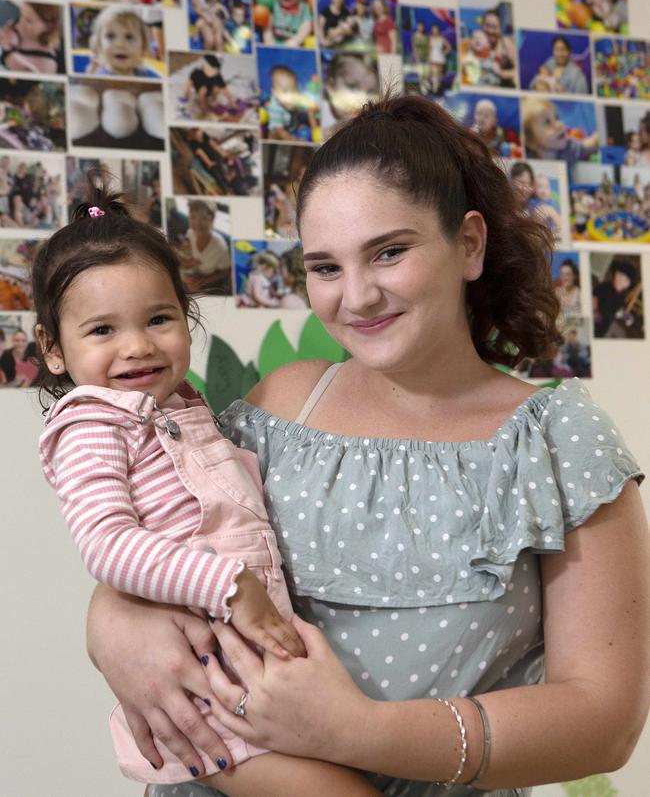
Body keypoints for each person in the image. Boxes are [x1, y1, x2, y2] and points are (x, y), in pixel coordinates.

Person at [86, 96, 648, 796]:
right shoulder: (283, 404)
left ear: (468, 244)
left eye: (389, 251)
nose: (358, 296)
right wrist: (108, 621)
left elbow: (605, 720)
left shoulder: (559, 442)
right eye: (325, 267)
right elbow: (160, 542)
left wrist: (350, 728)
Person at [32, 179, 382, 796]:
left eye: (159, 319)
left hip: (248, 675)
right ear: (52, 350)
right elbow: (106, 545)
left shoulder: (182, 411)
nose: (137, 345)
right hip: (208, 694)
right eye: (102, 331)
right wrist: (231, 586)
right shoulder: (91, 421)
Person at [175, 199, 231, 294]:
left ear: (212, 221)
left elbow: (225, 272)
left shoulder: (220, 246)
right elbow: (183, 252)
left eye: (204, 218)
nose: (197, 223)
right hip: (190, 275)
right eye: (193, 217)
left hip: (208, 281)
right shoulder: (190, 232)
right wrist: (186, 264)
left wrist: (203, 281)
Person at [522, 97, 599, 161]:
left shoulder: (569, 148)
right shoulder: (527, 157)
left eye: (557, 117)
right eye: (547, 122)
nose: (559, 125)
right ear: (531, 142)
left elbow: (590, 144)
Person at [87, 5, 150, 77]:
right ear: (99, 45)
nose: (120, 44)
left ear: (143, 46)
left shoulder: (142, 75)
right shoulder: (99, 78)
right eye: (110, 36)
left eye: (129, 37)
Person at [0, 1, 62, 74]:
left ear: (48, 26)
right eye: (22, 15)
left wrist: (16, 58)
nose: (21, 23)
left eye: (29, 21)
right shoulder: (16, 23)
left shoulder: (48, 64)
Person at [428, 24, 450, 94]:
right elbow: (429, 49)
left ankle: (438, 88)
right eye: (433, 29)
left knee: (439, 75)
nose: (434, 31)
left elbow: (448, 47)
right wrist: (429, 58)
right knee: (434, 73)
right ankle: (434, 89)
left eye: (436, 29)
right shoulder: (430, 38)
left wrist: (444, 52)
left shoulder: (441, 38)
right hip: (433, 58)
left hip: (440, 58)